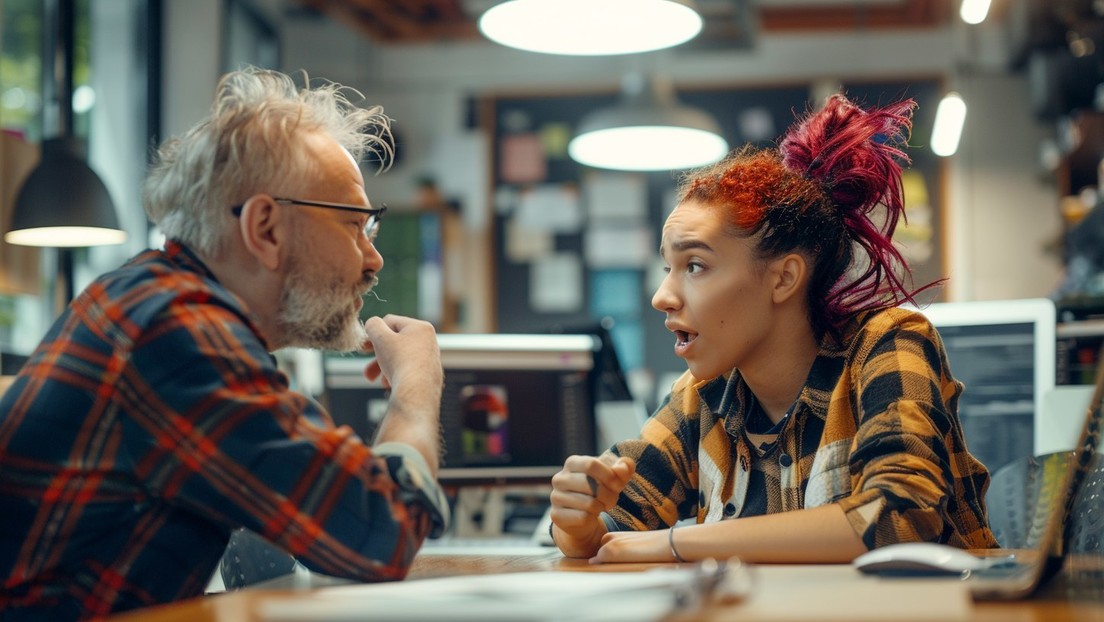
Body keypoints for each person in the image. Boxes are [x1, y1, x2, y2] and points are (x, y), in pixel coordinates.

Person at [0, 66, 448, 618]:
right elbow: (384, 533)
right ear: (264, 228)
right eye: (356, 225)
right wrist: (416, 384)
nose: (373, 259)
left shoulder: (154, 303)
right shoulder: (176, 335)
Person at [549, 93, 998, 564]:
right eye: (668, 267)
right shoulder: (704, 394)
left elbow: (898, 517)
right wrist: (577, 523)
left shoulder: (889, 341)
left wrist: (677, 542)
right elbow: (612, 533)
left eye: (695, 265)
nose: (662, 296)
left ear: (783, 278)